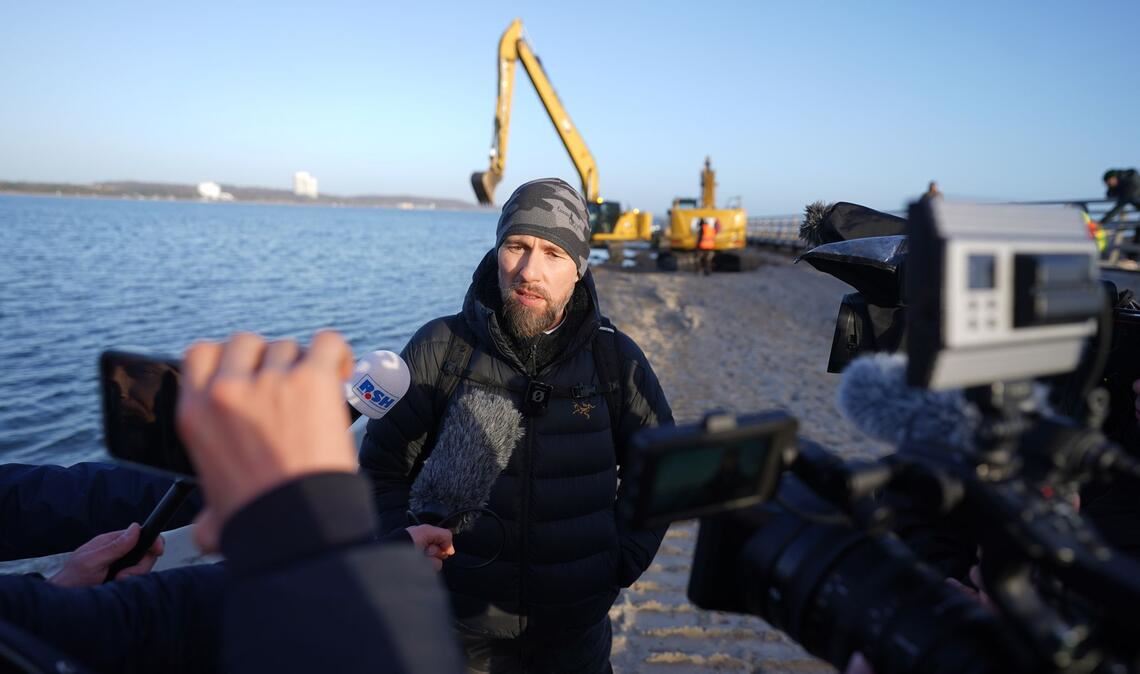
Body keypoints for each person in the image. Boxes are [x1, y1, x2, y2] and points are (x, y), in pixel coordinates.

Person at [360, 177, 674, 673]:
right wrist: (406, 551)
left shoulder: (615, 359)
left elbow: (662, 471)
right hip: (453, 634)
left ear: (579, 269)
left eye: (553, 252)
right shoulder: (440, 348)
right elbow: (380, 470)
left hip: (575, 637)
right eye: (516, 246)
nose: (529, 270)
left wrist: (618, 562)